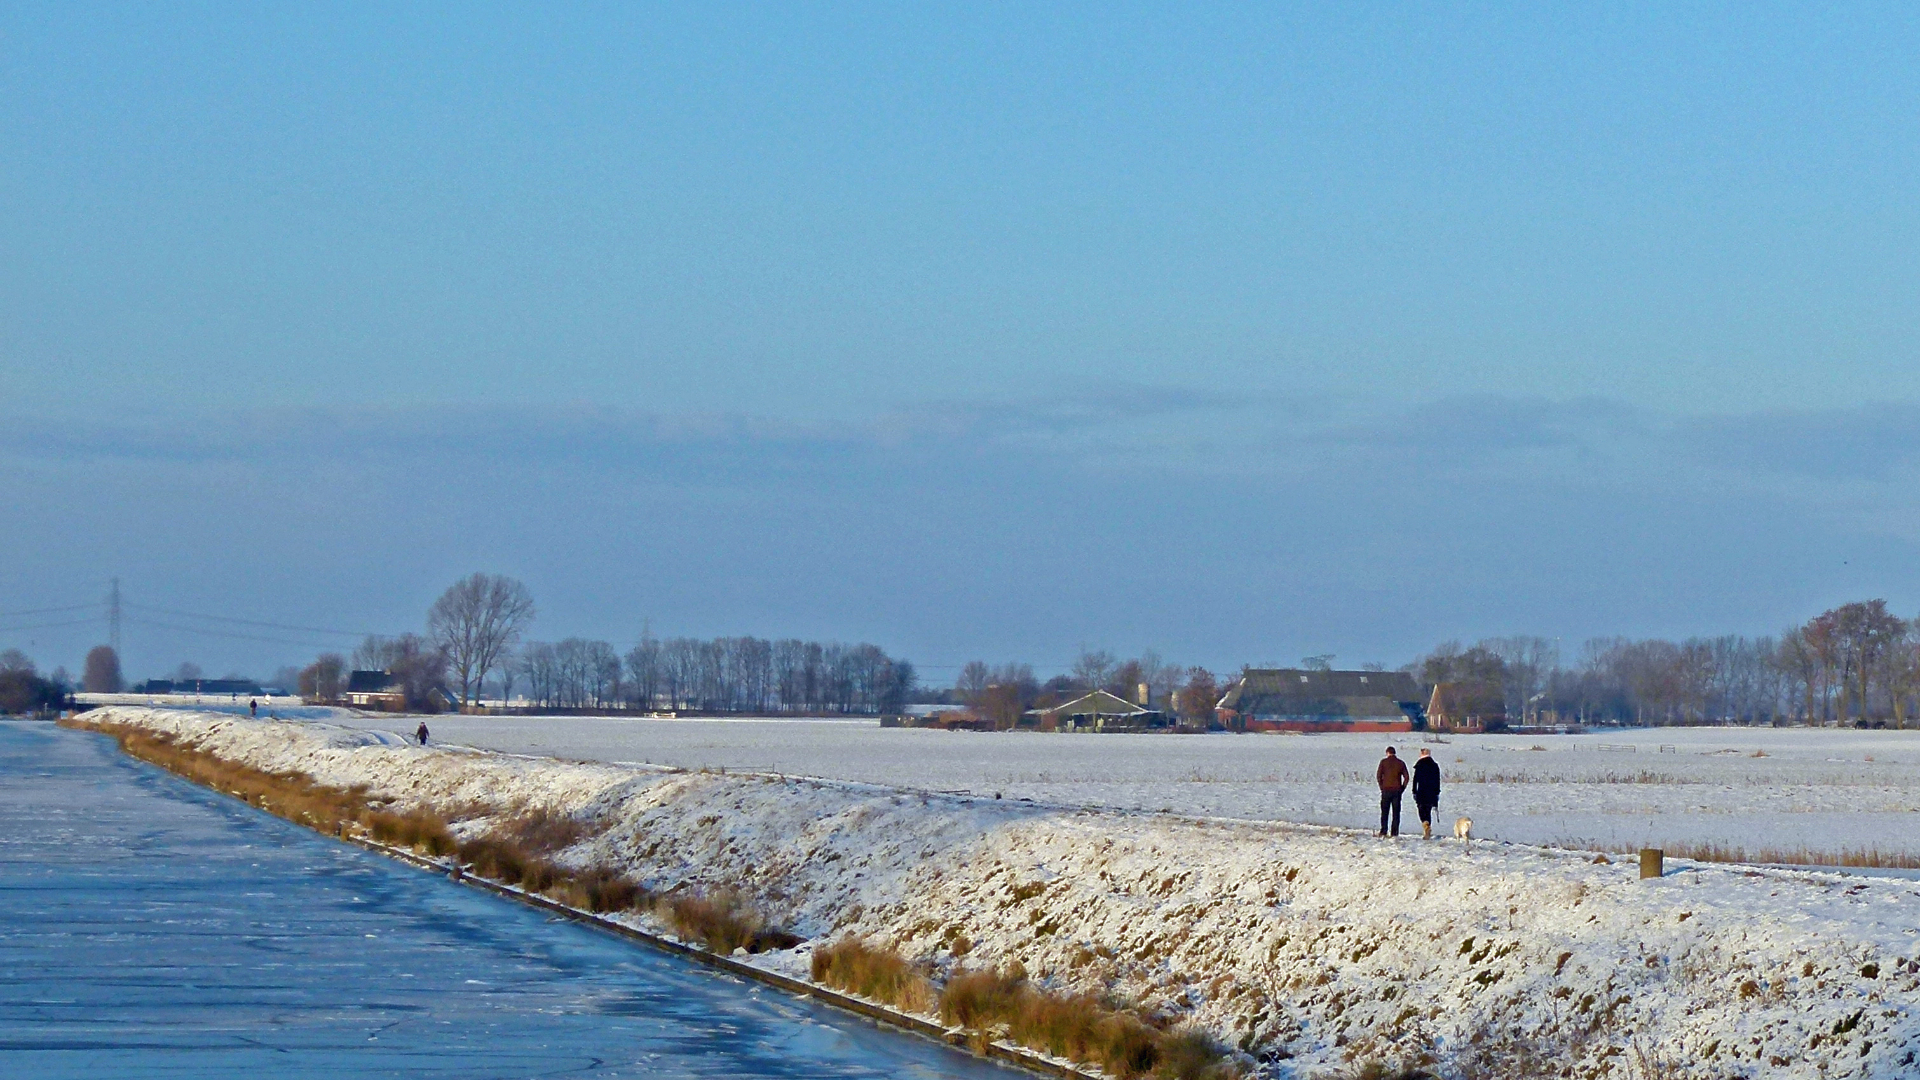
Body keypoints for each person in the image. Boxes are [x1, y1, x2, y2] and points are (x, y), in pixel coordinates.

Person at [1376, 746, 1409, 837]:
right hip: (1397, 791)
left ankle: (1383, 830)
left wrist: (1382, 786)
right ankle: (1394, 832)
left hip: (1386, 790)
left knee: (1385, 812)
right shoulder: (1401, 763)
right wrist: (1402, 788)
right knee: (1396, 813)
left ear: (1387, 753)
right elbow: (1406, 777)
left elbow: (1378, 776)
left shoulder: (1383, 762)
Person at [1412, 747, 1441, 839]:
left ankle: (1425, 825)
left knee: (1421, 810)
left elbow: (1415, 779)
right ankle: (1427, 827)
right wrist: (1437, 792)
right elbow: (1437, 780)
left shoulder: (1419, 765)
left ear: (1422, 754)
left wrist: (1414, 791)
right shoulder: (1435, 765)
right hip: (1432, 792)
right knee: (1428, 810)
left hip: (1421, 791)